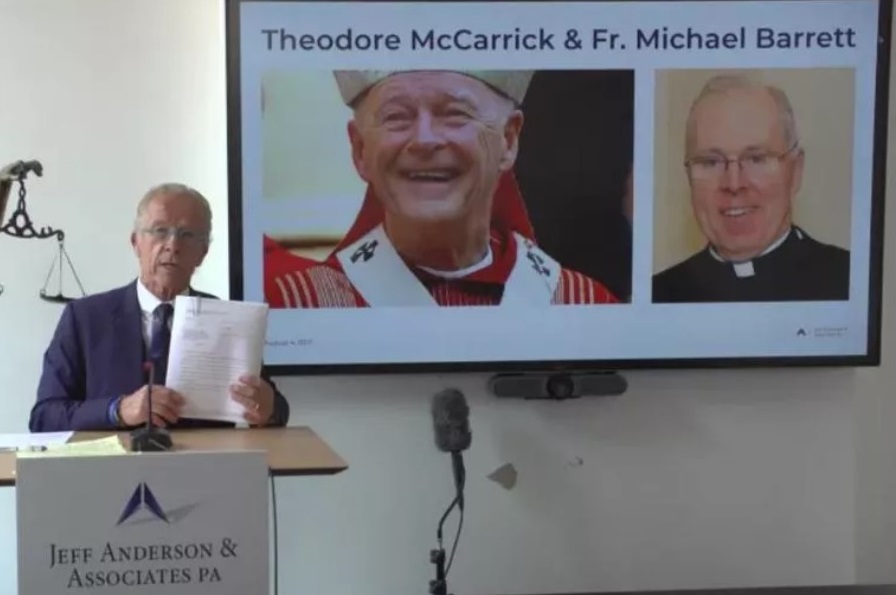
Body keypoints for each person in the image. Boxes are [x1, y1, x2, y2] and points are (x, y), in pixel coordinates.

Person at [264, 69, 619, 308]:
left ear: (508, 141)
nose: (424, 140)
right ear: (359, 150)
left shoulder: (582, 302)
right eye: (397, 117)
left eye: (455, 114)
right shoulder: (295, 303)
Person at [29, 183, 290, 432]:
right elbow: (44, 417)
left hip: (203, 471)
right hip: (109, 472)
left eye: (187, 235)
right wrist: (118, 410)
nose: (173, 246)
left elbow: (276, 408)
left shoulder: (229, 320)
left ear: (203, 252)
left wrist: (268, 409)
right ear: (136, 243)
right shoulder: (84, 318)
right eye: (160, 231)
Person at [652, 74, 850, 303]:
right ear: (688, 176)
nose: (734, 184)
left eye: (756, 159)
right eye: (710, 162)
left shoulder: (850, 280)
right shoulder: (656, 294)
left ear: (795, 171)